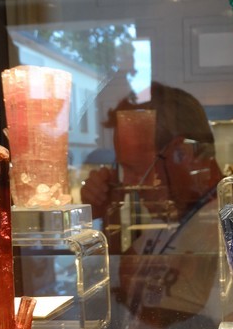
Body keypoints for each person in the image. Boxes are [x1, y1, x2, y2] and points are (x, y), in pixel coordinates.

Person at [81, 81, 223, 255]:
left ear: (181, 154)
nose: (127, 184)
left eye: (135, 169)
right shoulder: (172, 217)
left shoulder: (226, 230)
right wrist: (106, 213)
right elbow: (122, 270)